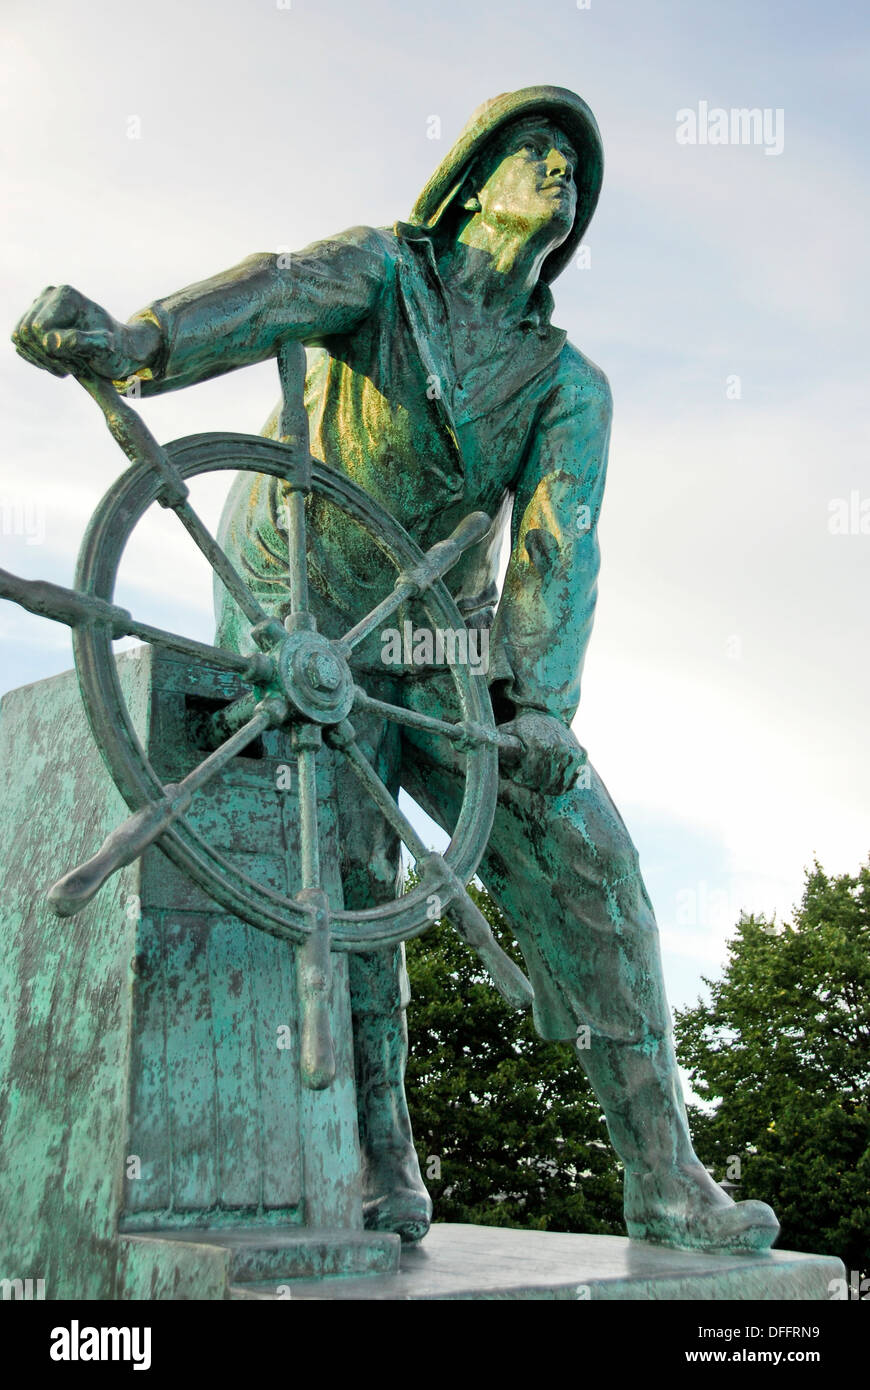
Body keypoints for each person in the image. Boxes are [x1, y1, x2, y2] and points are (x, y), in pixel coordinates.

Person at [12, 86, 779, 1254]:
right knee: (351, 851)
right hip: (296, 584)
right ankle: (378, 1150)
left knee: (592, 856)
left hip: (439, 627)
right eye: (535, 153)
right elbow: (267, 291)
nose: (560, 175)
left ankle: (666, 1176)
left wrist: (538, 705)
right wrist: (137, 344)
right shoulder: (382, 273)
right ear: (471, 181)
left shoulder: (570, 387)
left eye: (575, 169)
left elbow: (560, 546)